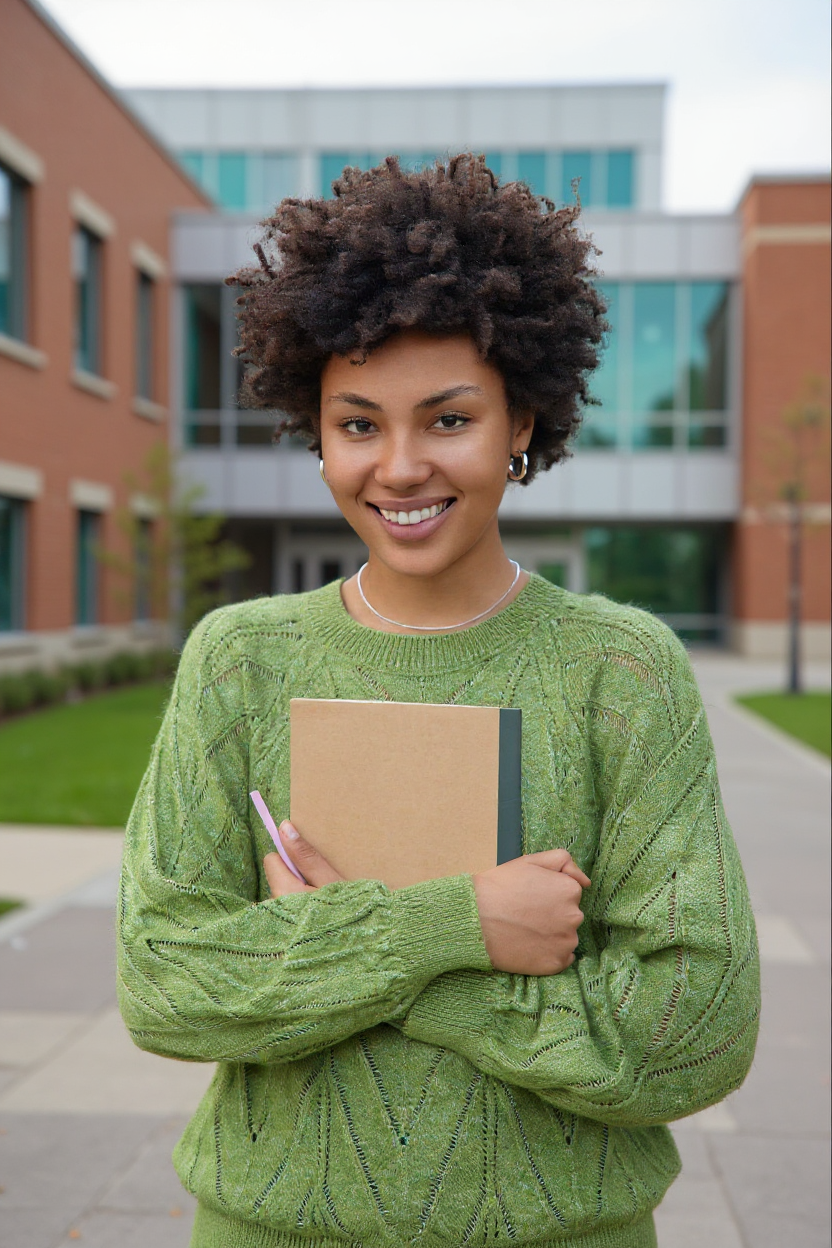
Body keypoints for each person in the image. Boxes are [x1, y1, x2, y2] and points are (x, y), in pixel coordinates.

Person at [117, 155, 760, 1248]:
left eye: (448, 419)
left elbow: (693, 1033)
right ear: (314, 437)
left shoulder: (621, 670)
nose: (400, 467)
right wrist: (459, 928)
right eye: (357, 424)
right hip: (271, 1228)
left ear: (523, 422)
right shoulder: (240, 659)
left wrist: (339, 948)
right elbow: (166, 981)